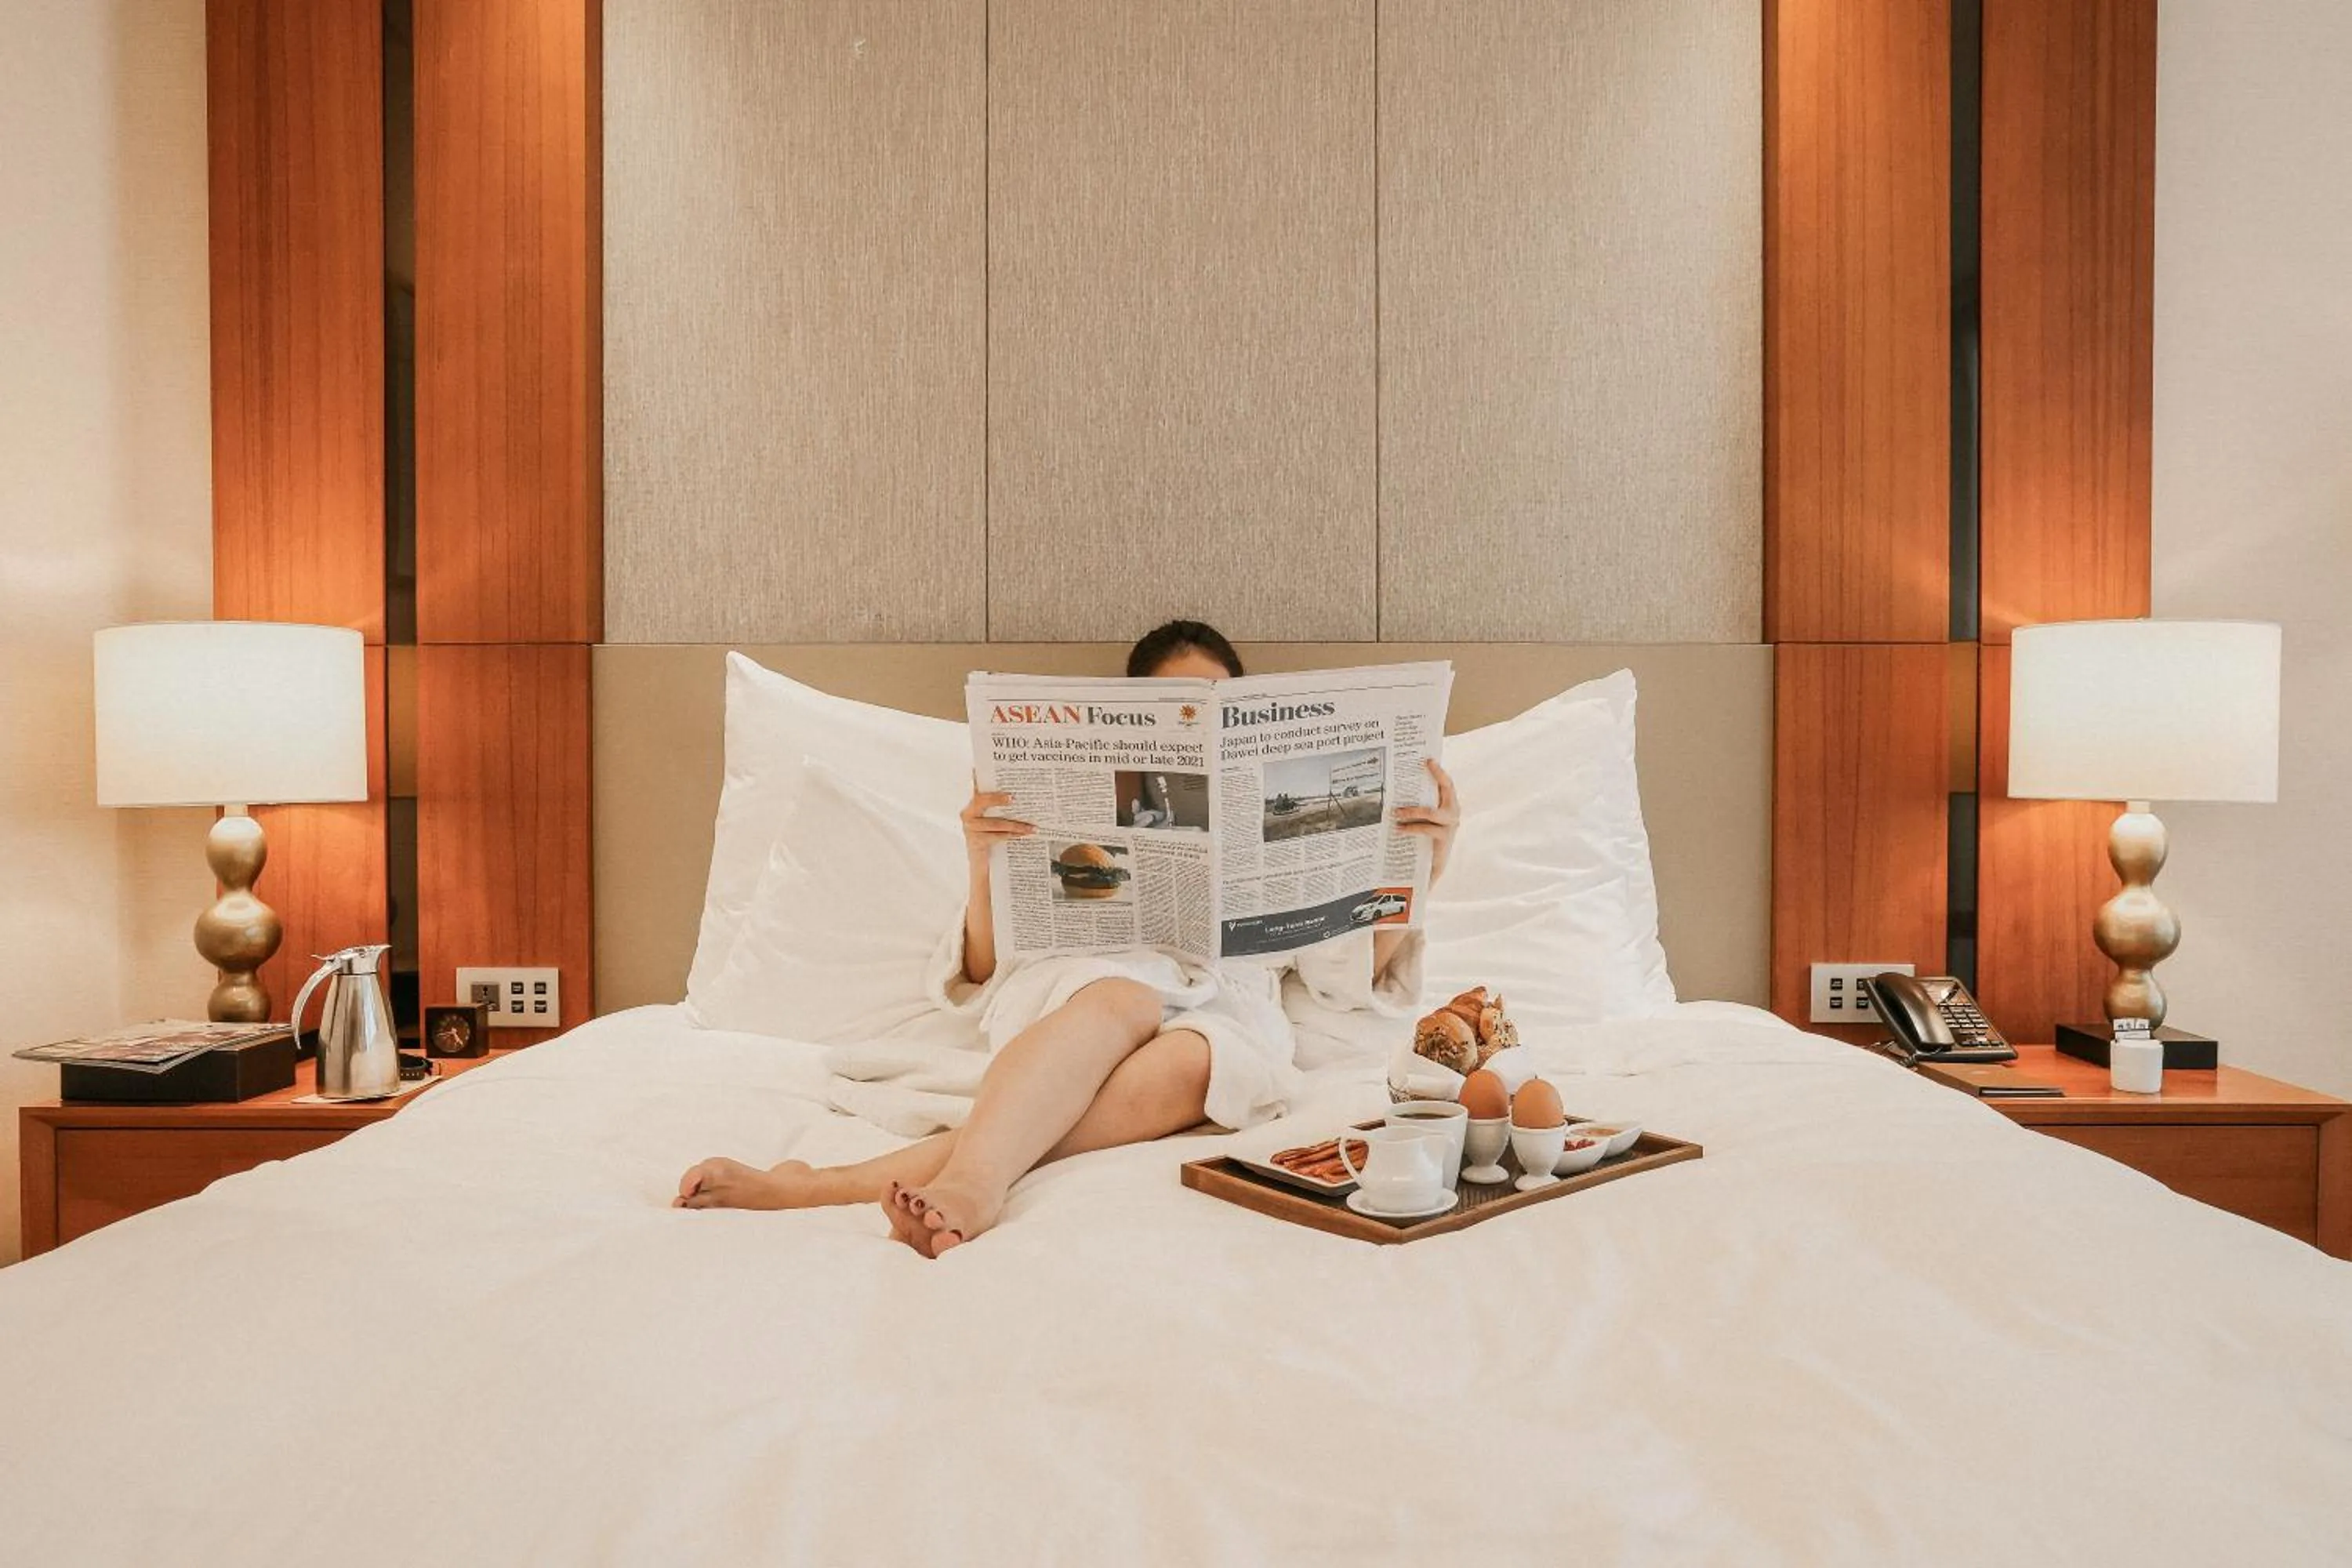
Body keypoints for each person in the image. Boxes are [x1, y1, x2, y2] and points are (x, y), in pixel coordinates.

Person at [675, 619, 1461, 1256]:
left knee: (1205, 1058)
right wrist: (984, 862)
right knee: (1121, 995)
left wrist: (1424, 860)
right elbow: (979, 967)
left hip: (1225, 1008)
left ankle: (832, 1180)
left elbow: (1346, 971)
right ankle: (973, 1181)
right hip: (1087, 983)